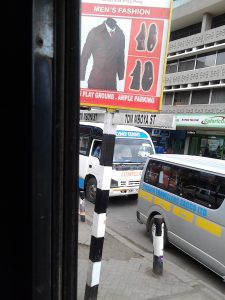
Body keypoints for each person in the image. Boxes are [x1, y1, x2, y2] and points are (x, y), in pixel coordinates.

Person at [80, 18, 125, 91]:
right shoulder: (94, 32)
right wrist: (81, 78)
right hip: (96, 81)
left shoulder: (120, 34)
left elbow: (121, 57)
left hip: (112, 83)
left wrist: (121, 77)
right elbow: (84, 56)